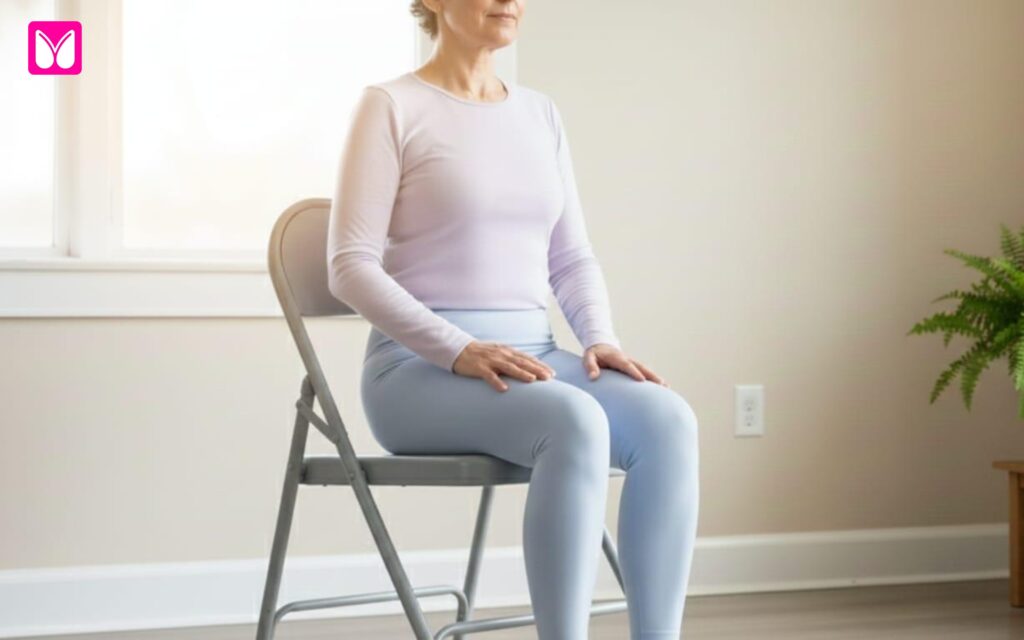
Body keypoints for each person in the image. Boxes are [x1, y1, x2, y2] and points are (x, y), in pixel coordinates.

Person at [325, 1, 700, 638]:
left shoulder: (539, 114)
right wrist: (458, 348)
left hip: (533, 358)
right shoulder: (390, 106)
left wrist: (599, 339)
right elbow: (348, 267)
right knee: (572, 415)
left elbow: (571, 256)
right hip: (416, 371)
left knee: (668, 418)